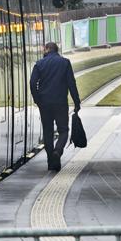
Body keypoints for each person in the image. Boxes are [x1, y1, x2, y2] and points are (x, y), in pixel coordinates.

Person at [29, 42, 81, 171]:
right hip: (60, 102)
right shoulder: (65, 63)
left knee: (48, 131)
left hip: (44, 103)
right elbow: (71, 83)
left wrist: (37, 99)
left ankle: (50, 162)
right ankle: (57, 152)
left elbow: (32, 82)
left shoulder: (39, 64)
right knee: (63, 130)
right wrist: (76, 102)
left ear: (47, 49)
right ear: (56, 50)